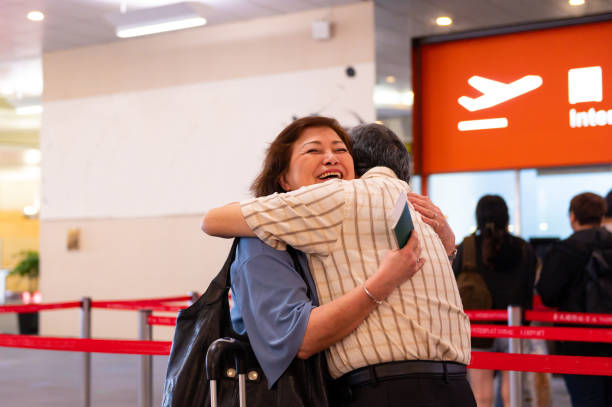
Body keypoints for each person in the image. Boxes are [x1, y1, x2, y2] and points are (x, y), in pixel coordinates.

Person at [203, 120, 475, 407]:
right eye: (313, 151)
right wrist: (382, 283)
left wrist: (446, 250)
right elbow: (300, 337)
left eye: (341, 149)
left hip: (428, 386)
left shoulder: (356, 221)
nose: (330, 157)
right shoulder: (262, 242)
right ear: (283, 179)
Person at [452, 195, 537, 407]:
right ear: (506, 218)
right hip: (514, 329)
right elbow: (529, 290)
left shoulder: (468, 246)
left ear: (478, 218)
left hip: (479, 329)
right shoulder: (523, 248)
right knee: (512, 394)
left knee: (482, 396)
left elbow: (453, 284)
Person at [536, 192, 612, 407]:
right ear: (601, 215)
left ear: (572, 217)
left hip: (578, 342)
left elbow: (548, 295)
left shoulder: (564, 250)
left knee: (585, 400)